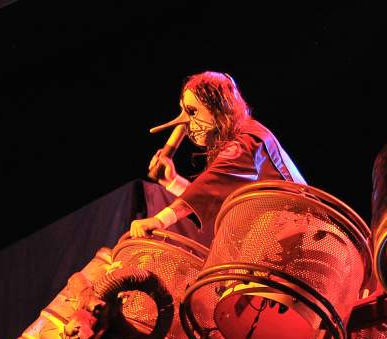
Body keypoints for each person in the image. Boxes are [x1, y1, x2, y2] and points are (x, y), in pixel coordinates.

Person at [129, 70, 305, 240]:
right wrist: (173, 181)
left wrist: (160, 220)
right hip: (288, 230)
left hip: (301, 229)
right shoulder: (240, 143)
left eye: (192, 111)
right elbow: (213, 197)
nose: (186, 122)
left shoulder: (247, 141)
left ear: (219, 107)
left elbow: (207, 187)